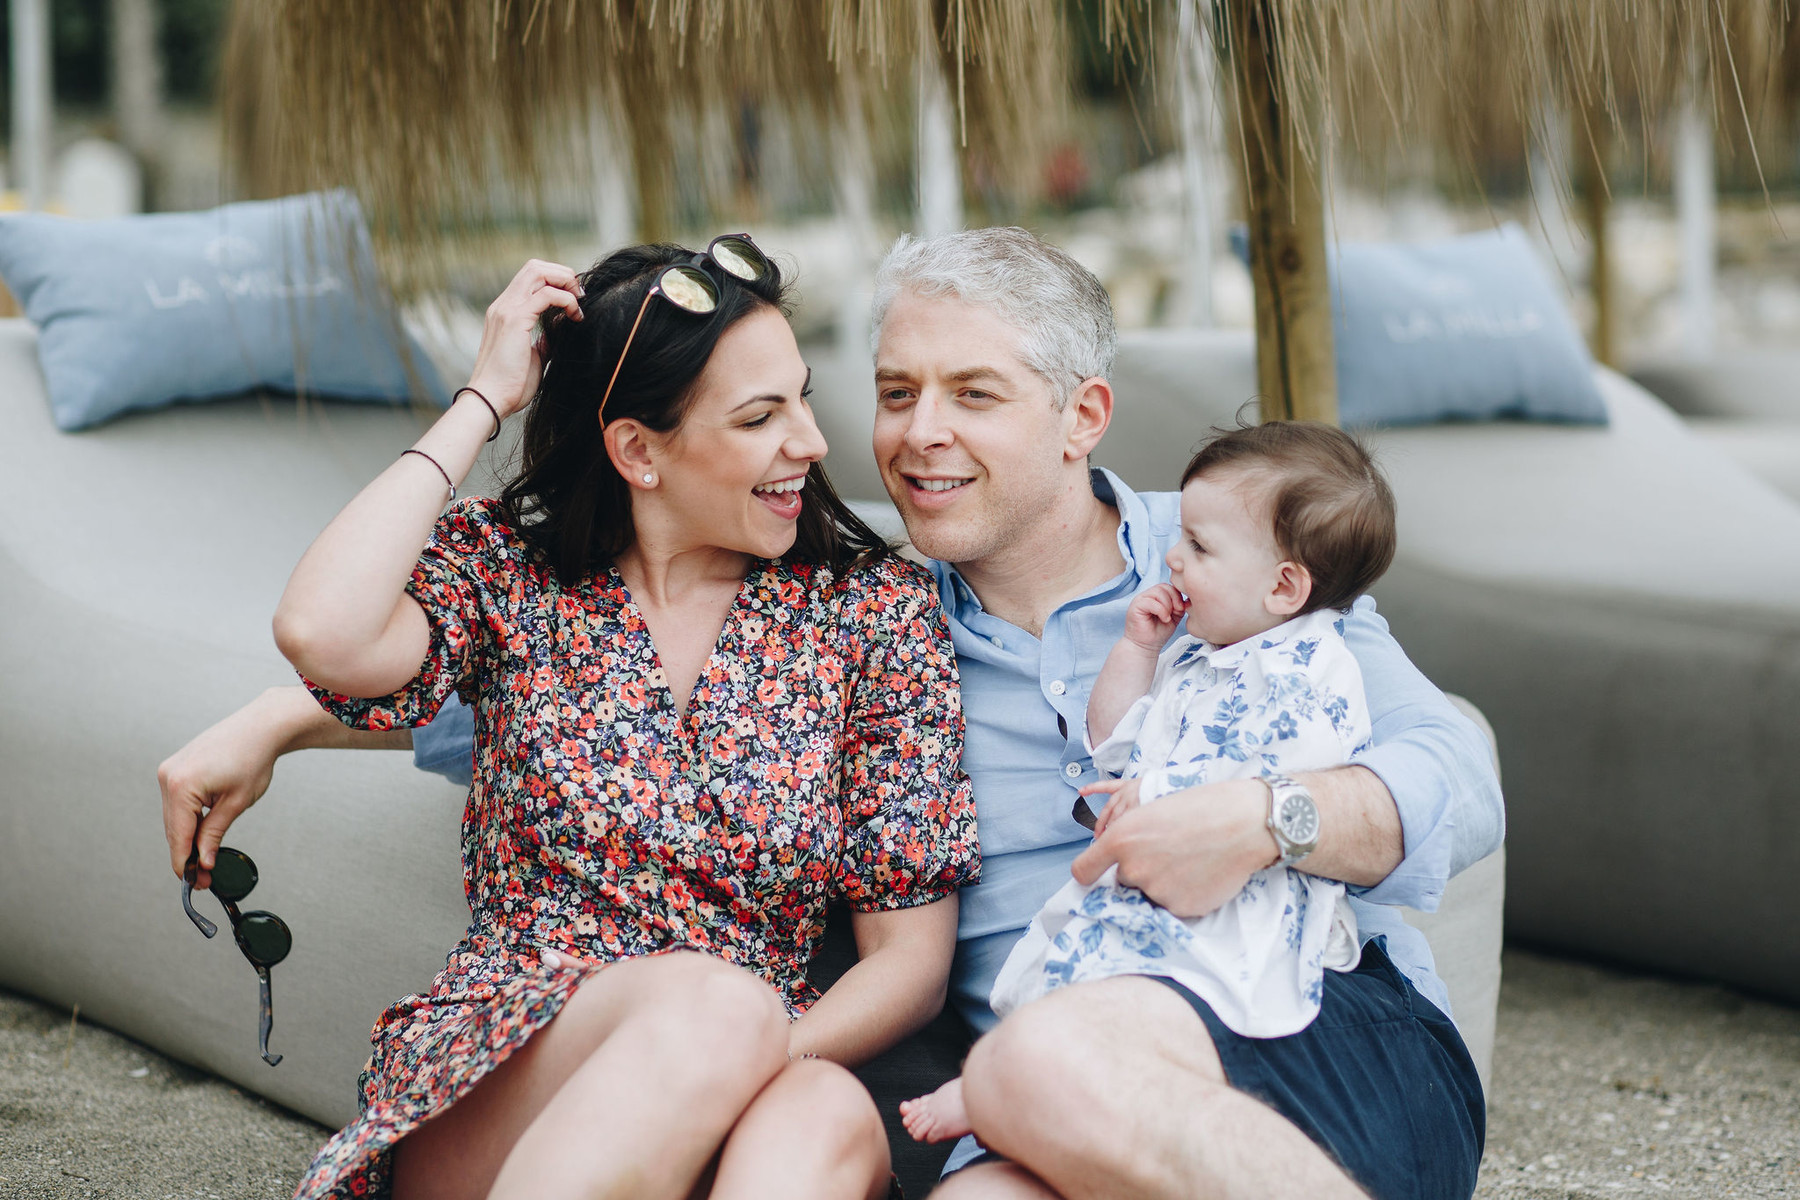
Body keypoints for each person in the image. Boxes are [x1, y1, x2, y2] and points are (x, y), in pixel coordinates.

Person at [164, 226, 1504, 1200]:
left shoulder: (1223, 576)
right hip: (1016, 1084)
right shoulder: (802, 619)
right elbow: (463, 692)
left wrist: (1265, 820)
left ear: (1084, 414)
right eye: (897, 389)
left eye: (975, 395)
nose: (910, 434)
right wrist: (282, 715)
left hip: (1306, 1023)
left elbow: (1454, 768)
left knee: (974, 1089)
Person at [161, 242, 979, 1200]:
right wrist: (482, 400)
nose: (812, 440)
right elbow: (322, 631)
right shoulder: (512, 571)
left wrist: (743, 1060)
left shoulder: (869, 608)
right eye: (762, 416)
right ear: (637, 450)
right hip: (512, 1065)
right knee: (721, 1009)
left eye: (801, 397)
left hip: (762, 1053)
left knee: (826, 1114)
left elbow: (910, 965)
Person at [899, 420, 1399, 1147]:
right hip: (1149, 894)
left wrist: (1164, 795)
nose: (1172, 555)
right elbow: (1115, 739)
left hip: (1229, 907)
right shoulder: (1199, 657)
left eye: (1198, 548)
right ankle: (1005, 1081)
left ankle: (993, 1089)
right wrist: (1138, 649)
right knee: (1076, 980)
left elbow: (1276, 768)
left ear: (1285, 585)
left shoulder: (1310, 667)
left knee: (1129, 1009)